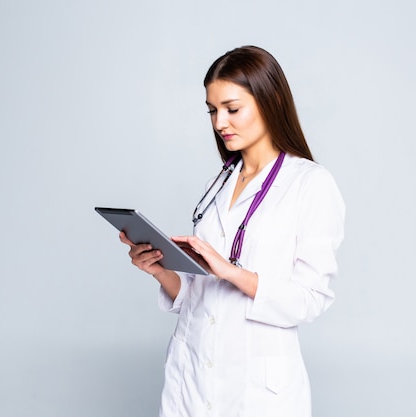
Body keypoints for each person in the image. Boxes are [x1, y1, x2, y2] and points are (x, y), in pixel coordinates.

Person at [120, 45, 345, 417]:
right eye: (212, 110)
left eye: (232, 108)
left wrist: (231, 272)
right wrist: (160, 269)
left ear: (270, 100)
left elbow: (310, 299)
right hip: (192, 375)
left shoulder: (311, 184)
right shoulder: (219, 183)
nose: (219, 122)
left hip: (257, 390)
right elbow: (198, 294)